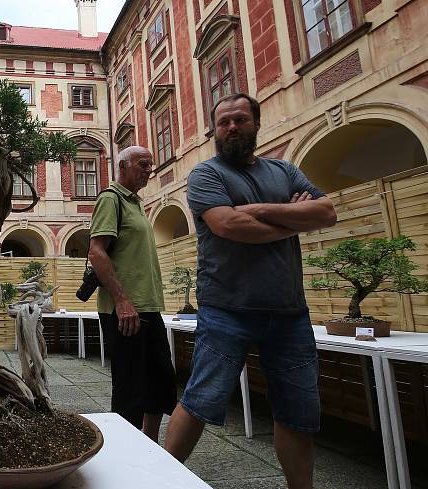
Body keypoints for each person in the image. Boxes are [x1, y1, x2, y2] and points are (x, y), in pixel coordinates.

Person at [163, 93, 337, 489]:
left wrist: (257, 209)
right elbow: (228, 226)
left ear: (256, 123)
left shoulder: (284, 170)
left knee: (297, 412)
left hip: (289, 312)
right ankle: (160, 479)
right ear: (214, 129)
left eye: (240, 119)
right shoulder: (206, 175)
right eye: (223, 122)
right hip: (227, 309)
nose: (231, 127)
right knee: (200, 401)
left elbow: (326, 212)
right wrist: (294, 218)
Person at [88, 146, 177, 441]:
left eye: (151, 164)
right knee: (130, 389)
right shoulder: (111, 199)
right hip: (125, 310)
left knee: (161, 380)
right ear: (123, 166)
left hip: (147, 307)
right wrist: (123, 300)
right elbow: (97, 253)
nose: (149, 168)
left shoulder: (136, 203)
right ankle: (126, 450)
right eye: (143, 164)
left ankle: (149, 445)